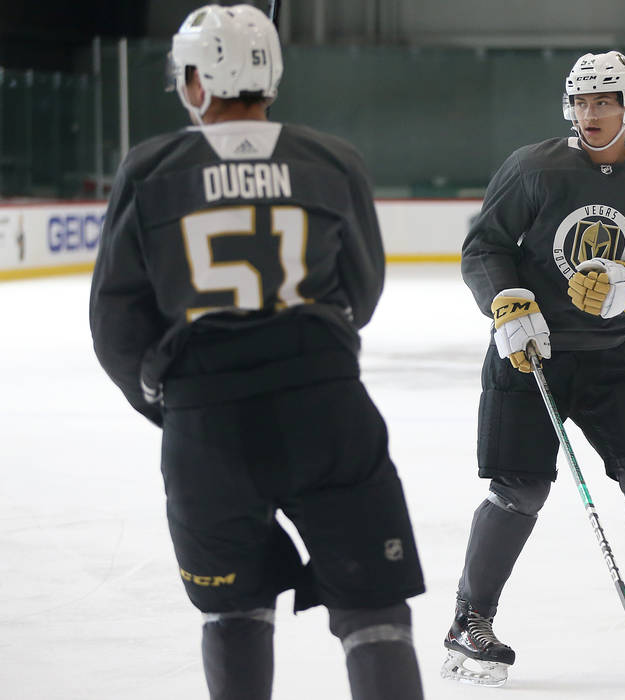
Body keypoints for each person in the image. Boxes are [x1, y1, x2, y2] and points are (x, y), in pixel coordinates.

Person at [88, 6, 425, 699]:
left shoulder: (151, 167)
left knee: (233, 606)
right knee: (373, 609)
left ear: (199, 81)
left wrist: (173, 404)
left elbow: (116, 322)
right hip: (327, 407)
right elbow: (361, 290)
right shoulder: (333, 161)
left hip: (207, 423)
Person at [441, 50, 625, 686]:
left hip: (610, 360)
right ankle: (470, 621)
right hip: (528, 353)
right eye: (580, 102)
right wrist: (505, 303)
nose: (590, 114)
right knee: (519, 490)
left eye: (604, 101)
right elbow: (484, 247)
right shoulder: (534, 168)